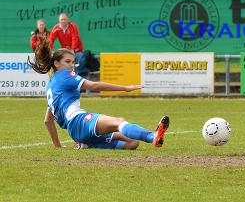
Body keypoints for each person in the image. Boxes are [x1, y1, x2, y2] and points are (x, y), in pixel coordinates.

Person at [28, 39, 169, 150]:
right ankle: (153, 136)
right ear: (56, 63)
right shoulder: (65, 75)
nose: (71, 65)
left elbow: (48, 120)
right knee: (119, 122)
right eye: (68, 61)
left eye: (73, 62)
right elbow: (93, 85)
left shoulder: (51, 86)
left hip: (75, 131)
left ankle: (87, 144)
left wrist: (57, 145)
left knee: (132, 142)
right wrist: (125, 88)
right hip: (79, 122)